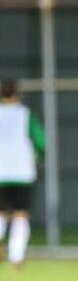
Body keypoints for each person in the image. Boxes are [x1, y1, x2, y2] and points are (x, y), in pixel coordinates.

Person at [0, 79, 45, 268]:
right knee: (20, 214)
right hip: (22, 173)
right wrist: (38, 157)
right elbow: (41, 142)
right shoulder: (26, 115)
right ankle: (16, 257)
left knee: (1, 214)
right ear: (18, 94)